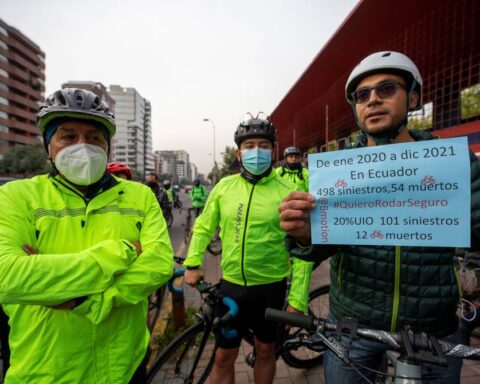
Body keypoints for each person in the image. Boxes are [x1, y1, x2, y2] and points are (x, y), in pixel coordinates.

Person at [279, 51, 480, 384]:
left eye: (386, 89)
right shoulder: (337, 171)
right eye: (362, 95)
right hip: (353, 326)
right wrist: (304, 234)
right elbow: (319, 249)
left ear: (413, 97)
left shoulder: (456, 164)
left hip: (433, 328)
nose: (372, 100)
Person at [0, 88, 174, 383]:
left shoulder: (140, 196)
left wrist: (84, 300)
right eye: (68, 136)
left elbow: (158, 265)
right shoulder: (16, 196)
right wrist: (120, 252)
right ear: (48, 146)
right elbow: (8, 276)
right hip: (45, 370)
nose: (82, 146)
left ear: (107, 146)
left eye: (94, 137)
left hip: (123, 367)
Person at [183, 115, 313, 384]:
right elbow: (204, 226)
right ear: (239, 153)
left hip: (271, 288)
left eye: (264, 146)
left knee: (266, 351)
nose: (257, 151)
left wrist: (298, 299)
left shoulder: (288, 190)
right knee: (222, 357)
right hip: (231, 289)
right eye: (250, 145)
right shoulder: (224, 187)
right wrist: (193, 263)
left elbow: (302, 249)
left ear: (273, 150)